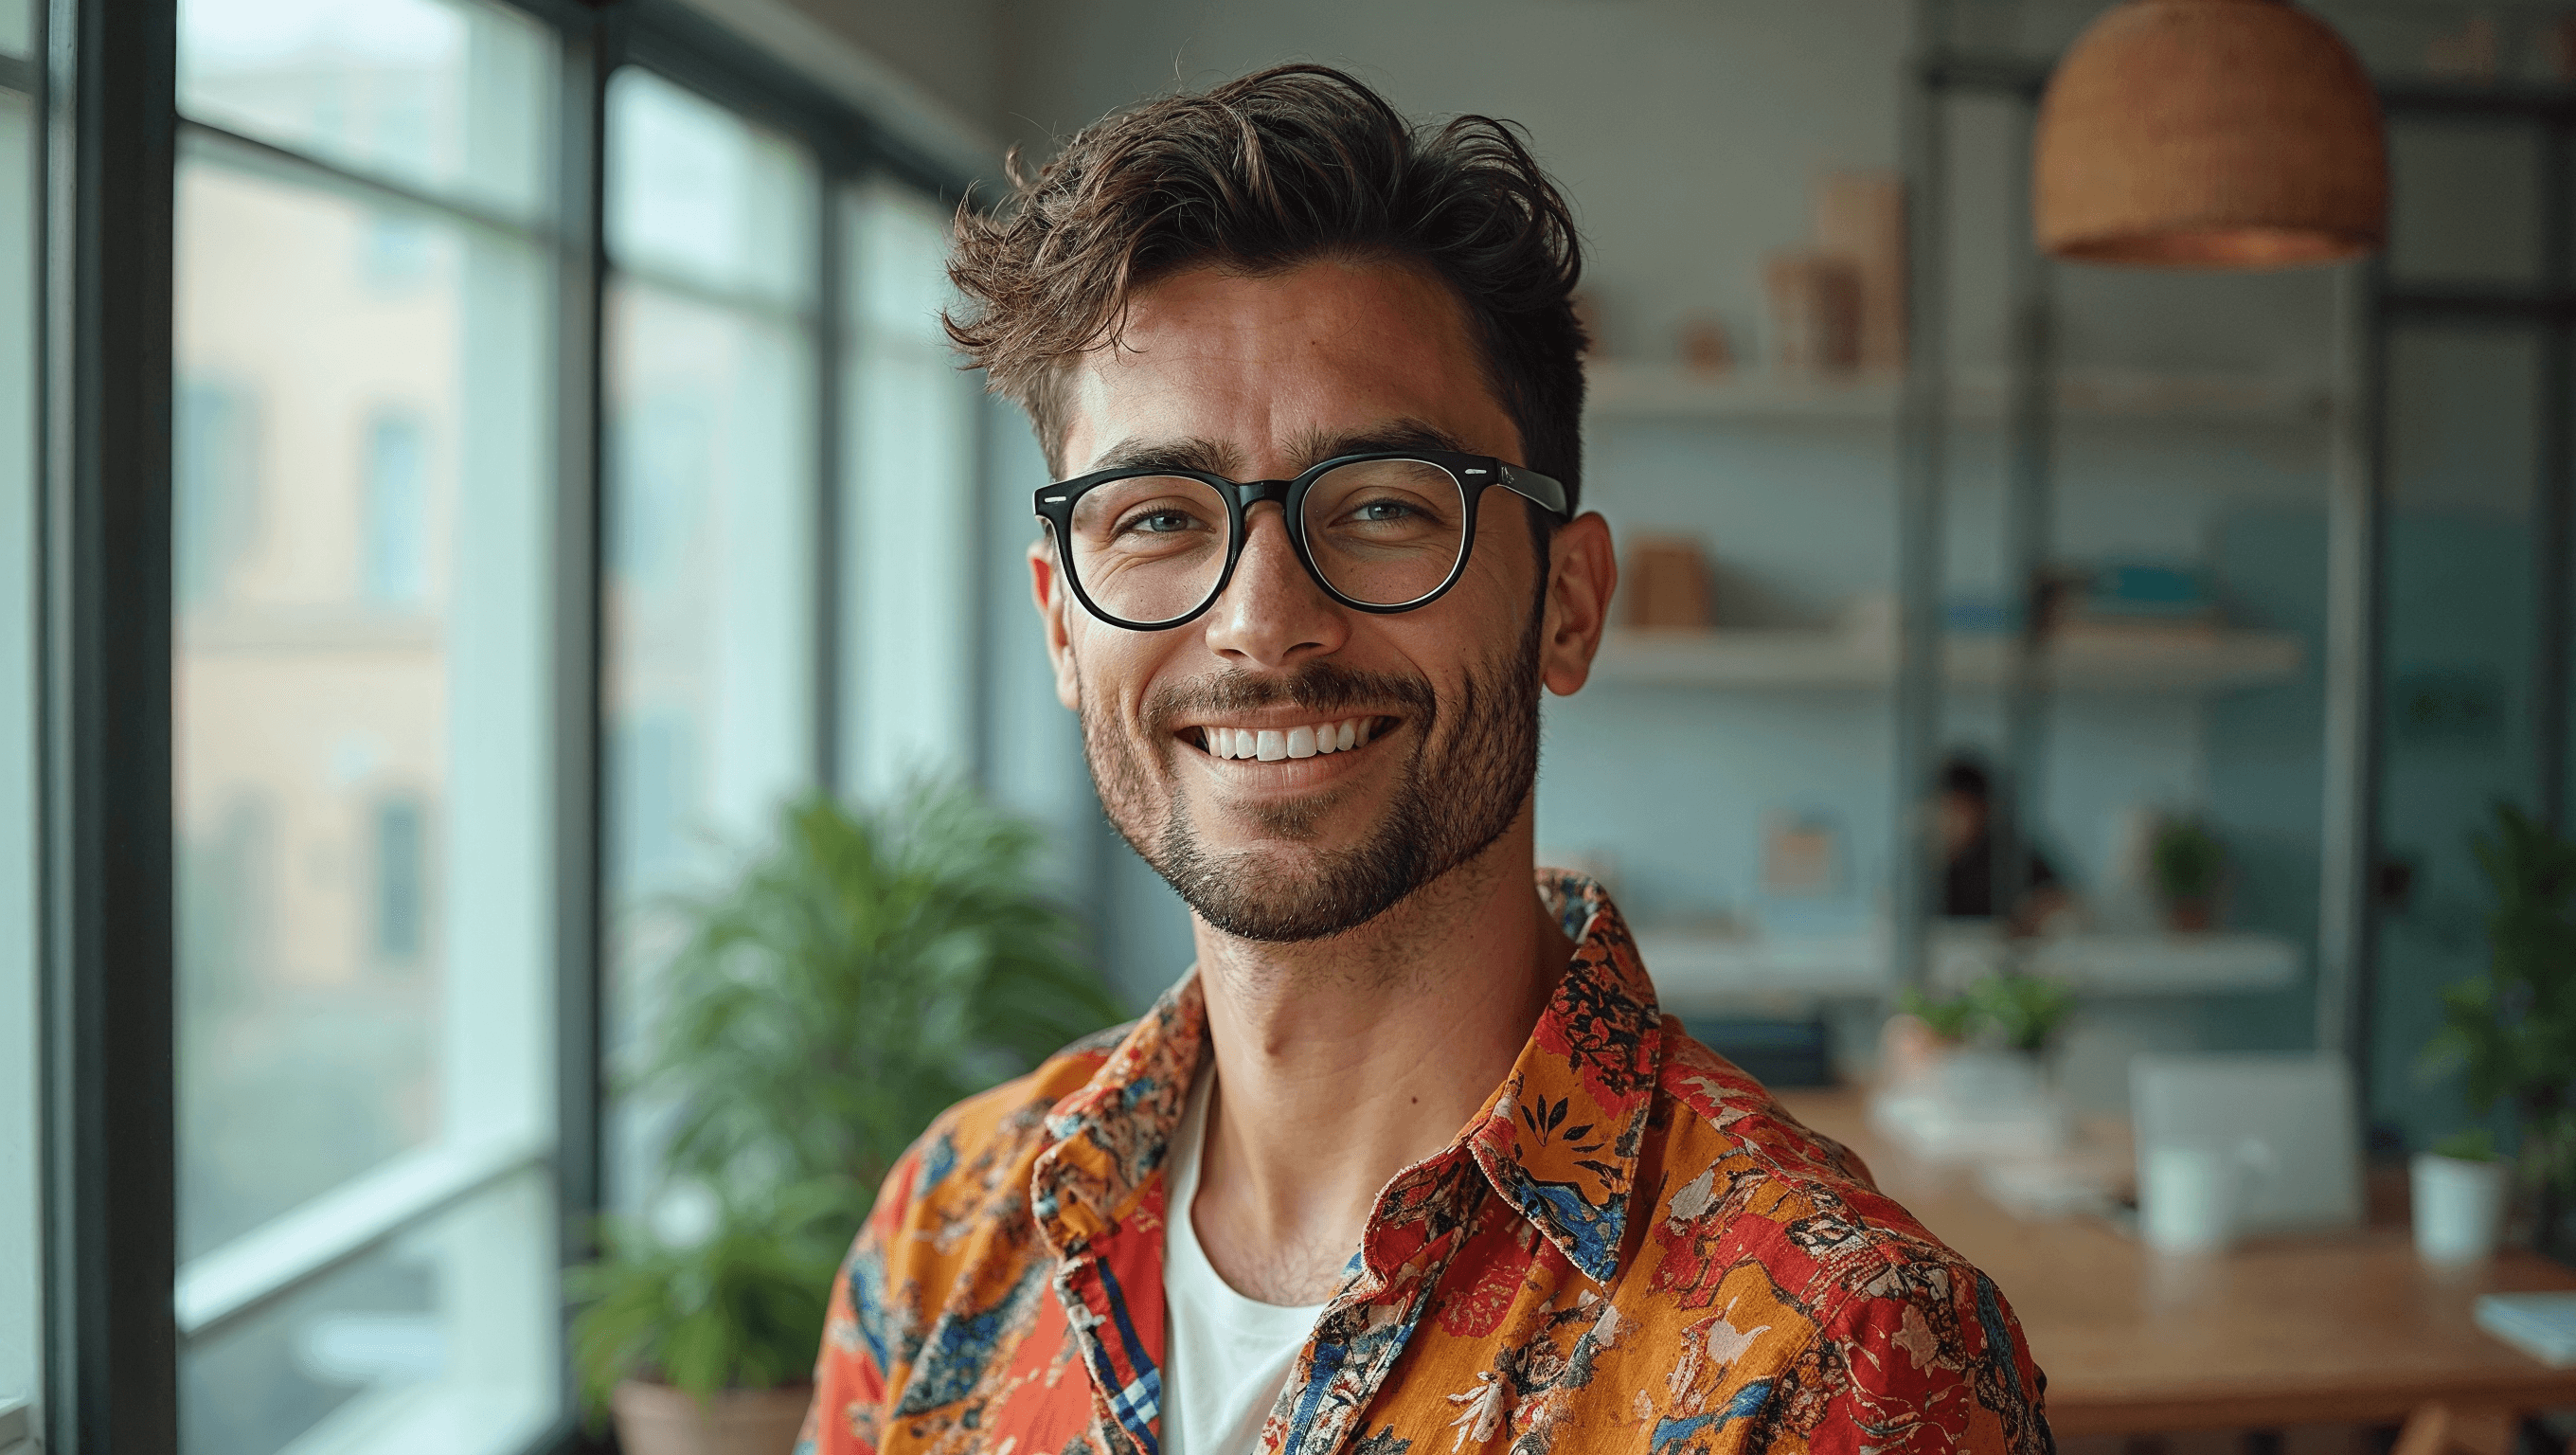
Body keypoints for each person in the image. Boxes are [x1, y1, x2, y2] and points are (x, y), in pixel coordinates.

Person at [801, 65, 2049, 1455]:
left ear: (1566, 604)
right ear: (1059, 624)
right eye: (1155, 517)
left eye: (1384, 507)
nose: (1262, 622)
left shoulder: (1842, 1356)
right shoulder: (944, 1236)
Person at [1935, 754, 2072, 937]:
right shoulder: (1923, 867)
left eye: (1957, 811)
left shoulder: (2005, 856)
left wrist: (2035, 916)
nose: (1947, 822)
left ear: (1982, 812)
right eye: (1941, 809)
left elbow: (2060, 900)